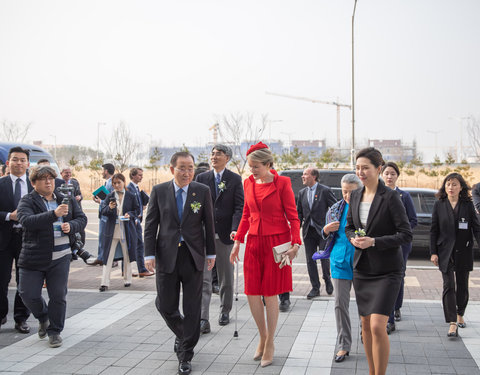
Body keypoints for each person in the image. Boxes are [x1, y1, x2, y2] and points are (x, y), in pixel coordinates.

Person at [230, 142, 301, 368]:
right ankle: (262, 335)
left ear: (269, 164)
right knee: (252, 292)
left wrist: (296, 244)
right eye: (250, 166)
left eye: (256, 166)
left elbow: (294, 217)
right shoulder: (248, 183)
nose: (252, 170)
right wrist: (237, 242)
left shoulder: (283, 183)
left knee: (270, 294)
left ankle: (270, 342)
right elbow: (245, 214)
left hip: (276, 244)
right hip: (253, 243)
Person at [144, 151, 215, 375]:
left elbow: (209, 224)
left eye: (190, 168)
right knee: (165, 305)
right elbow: (151, 225)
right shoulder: (159, 191)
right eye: (182, 168)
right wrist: (148, 255)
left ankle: (185, 355)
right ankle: (185, 334)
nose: (187, 172)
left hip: (193, 256)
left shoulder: (201, 191)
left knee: (193, 308)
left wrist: (211, 254)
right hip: (166, 255)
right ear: (172, 168)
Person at [345, 147, 412, 375]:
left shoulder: (391, 197)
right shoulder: (355, 195)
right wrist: (355, 238)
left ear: (378, 169)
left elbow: (405, 234)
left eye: (366, 168)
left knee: (376, 326)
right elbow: (349, 227)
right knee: (365, 326)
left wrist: (374, 241)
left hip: (387, 271)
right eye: (357, 168)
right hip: (362, 269)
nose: (361, 172)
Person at [17, 165, 87, 347]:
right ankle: (43, 317)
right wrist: (53, 214)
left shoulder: (66, 198)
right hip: (34, 256)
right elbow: (26, 221)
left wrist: (71, 226)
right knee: (27, 294)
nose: (48, 182)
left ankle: (55, 331)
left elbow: (82, 219)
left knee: (58, 296)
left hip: (61, 256)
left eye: (51, 178)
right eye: (43, 179)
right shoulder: (28, 200)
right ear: (33, 183)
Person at [196, 144, 244, 333]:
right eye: (213, 154)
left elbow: (239, 207)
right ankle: (202, 317)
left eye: (219, 154)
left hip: (225, 235)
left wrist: (235, 228)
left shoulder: (234, 179)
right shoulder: (202, 178)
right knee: (205, 278)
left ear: (228, 158)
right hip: (204, 235)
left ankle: (225, 310)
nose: (214, 157)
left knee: (226, 277)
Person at [430, 172, 480, 337]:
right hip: (445, 251)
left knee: (462, 286)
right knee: (449, 285)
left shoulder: (467, 205)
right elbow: (433, 230)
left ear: (461, 187)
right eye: (448, 184)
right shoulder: (439, 204)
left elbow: (476, 228)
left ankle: (460, 313)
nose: (450, 187)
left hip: (463, 251)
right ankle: (452, 322)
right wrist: (433, 253)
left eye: (454, 184)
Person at [321, 174, 362, 363]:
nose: (347, 195)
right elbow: (325, 233)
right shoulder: (336, 209)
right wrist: (326, 229)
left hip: (363, 262)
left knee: (366, 305)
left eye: (351, 192)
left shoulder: (367, 210)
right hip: (339, 261)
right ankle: (344, 345)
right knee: (339, 305)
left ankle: (367, 336)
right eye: (344, 191)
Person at [381, 161, 417, 334]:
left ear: (397, 176)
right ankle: (387, 312)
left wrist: (400, 232)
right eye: (387, 173)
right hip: (382, 242)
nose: (389, 176)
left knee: (398, 275)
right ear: (382, 175)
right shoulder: (376, 195)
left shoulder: (405, 196)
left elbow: (413, 220)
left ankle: (396, 307)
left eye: (392, 174)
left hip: (401, 243)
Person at [0, 147, 32, 334]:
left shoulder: (33, 185)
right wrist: (7, 216)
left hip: (27, 240)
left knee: (25, 280)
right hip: (4, 239)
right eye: (15, 160)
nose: (18, 163)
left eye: (22, 160)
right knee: (2, 280)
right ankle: (1, 314)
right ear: (8, 162)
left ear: (28, 164)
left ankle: (21, 318)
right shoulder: (1, 184)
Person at [99, 173, 139, 292]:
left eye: (119, 183)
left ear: (124, 182)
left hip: (126, 230)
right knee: (108, 256)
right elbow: (103, 211)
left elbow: (136, 210)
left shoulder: (131, 196)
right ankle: (104, 282)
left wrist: (130, 215)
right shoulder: (110, 196)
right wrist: (110, 208)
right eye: (114, 183)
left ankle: (128, 279)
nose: (117, 185)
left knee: (127, 255)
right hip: (112, 230)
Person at [127, 167, 153, 277]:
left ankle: (127, 270)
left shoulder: (136, 188)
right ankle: (141, 269)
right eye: (139, 175)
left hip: (137, 219)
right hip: (134, 220)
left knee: (133, 244)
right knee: (138, 245)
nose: (141, 177)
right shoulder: (129, 188)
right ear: (133, 175)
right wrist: (136, 215)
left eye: (141, 175)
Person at [92, 163, 115, 265]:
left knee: (106, 238)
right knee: (102, 237)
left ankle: (108, 259)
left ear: (106, 171)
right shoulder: (108, 182)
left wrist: (100, 202)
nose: (102, 172)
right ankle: (101, 257)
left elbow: (111, 200)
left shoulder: (111, 183)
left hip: (106, 215)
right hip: (104, 214)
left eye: (103, 170)